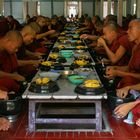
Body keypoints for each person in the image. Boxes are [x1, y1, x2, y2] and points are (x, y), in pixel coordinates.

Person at [105, 19, 140, 89]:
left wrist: (118, 73)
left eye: (130, 28)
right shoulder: (135, 47)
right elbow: (129, 68)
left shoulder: (123, 39)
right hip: (128, 84)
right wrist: (115, 68)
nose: (127, 31)